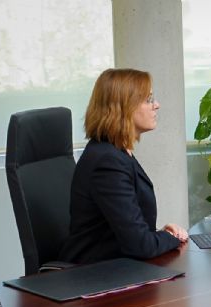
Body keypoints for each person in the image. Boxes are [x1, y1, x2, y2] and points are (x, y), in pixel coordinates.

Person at [59, 68, 188, 264]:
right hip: (97, 277)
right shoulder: (107, 162)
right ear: (124, 107)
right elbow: (140, 246)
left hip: (118, 266)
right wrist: (170, 238)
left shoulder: (116, 152)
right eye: (148, 100)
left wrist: (159, 235)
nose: (157, 105)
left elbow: (131, 233)